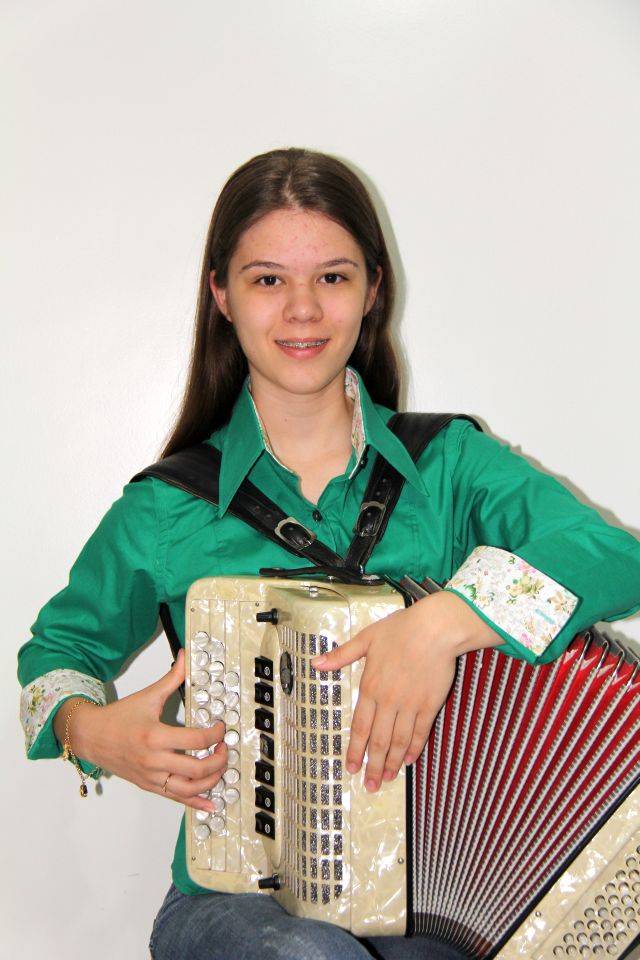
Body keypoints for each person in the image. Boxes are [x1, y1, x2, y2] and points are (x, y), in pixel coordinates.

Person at [17, 147, 640, 960]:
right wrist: (90, 733)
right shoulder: (168, 508)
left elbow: (615, 556)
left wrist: (442, 623)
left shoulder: (451, 465)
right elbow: (56, 654)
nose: (303, 309)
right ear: (222, 294)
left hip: (429, 900)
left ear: (373, 290)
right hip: (234, 901)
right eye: (268, 279)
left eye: (333, 277)